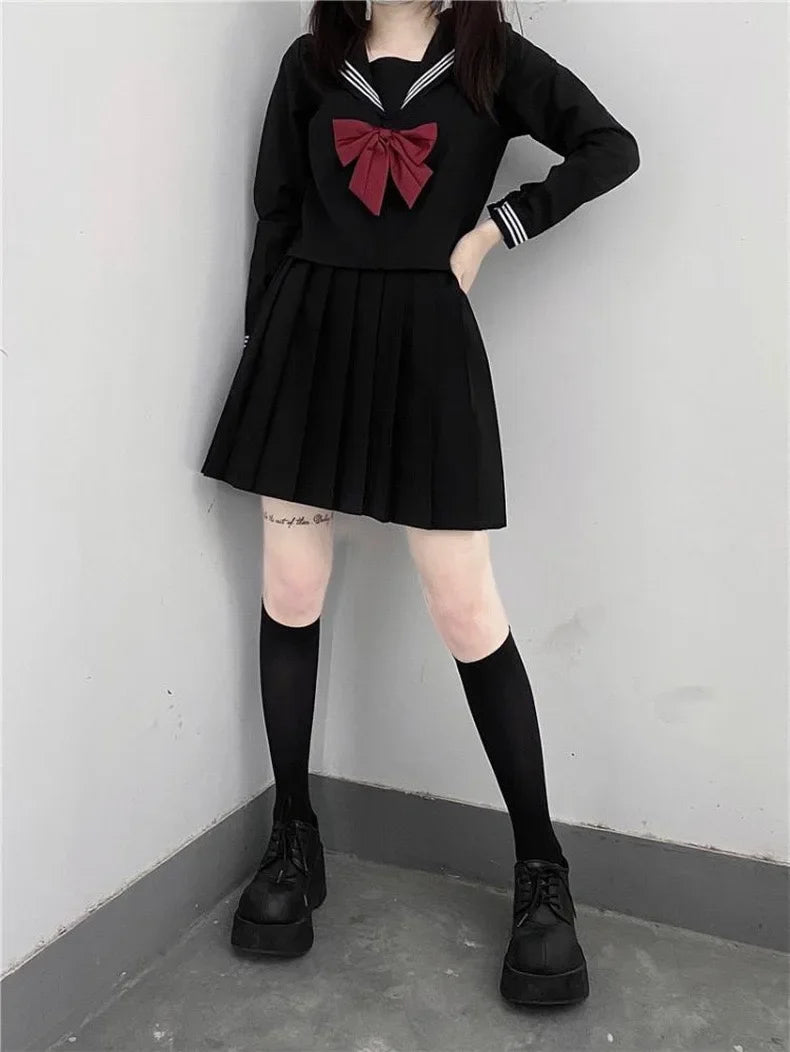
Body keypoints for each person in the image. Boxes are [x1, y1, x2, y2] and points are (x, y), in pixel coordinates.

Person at [200, 0, 639, 1007]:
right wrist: (265, 348)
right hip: (307, 340)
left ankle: (541, 869)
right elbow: (275, 210)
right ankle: (294, 833)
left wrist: (495, 230)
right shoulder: (311, 63)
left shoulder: (491, 60)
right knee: (290, 587)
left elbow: (608, 146)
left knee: (466, 607)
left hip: (426, 348)